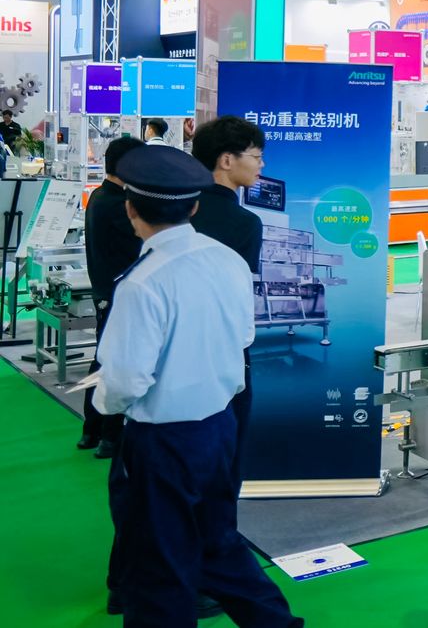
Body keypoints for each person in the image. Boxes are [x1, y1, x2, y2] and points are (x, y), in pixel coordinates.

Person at [94, 145, 302, 628]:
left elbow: (125, 381)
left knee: (157, 569)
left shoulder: (142, 282)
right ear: (193, 207)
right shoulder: (227, 259)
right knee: (219, 546)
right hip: (220, 427)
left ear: (131, 210)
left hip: (162, 441)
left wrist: (105, 400)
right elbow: (245, 335)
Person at [189, 115, 266, 483]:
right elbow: (238, 295)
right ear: (226, 160)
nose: (261, 165)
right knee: (226, 460)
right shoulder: (245, 223)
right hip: (226, 353)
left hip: (176, 351)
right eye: (256, 156)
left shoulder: (179, 210)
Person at [79, 136, 144, 457]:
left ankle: (91, 430)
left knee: (102, 359)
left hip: (104, 291)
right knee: (116, 363)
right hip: (116, 294)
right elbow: (139, 245)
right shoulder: (118, 204)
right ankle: (109, 436)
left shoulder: (99, 196)